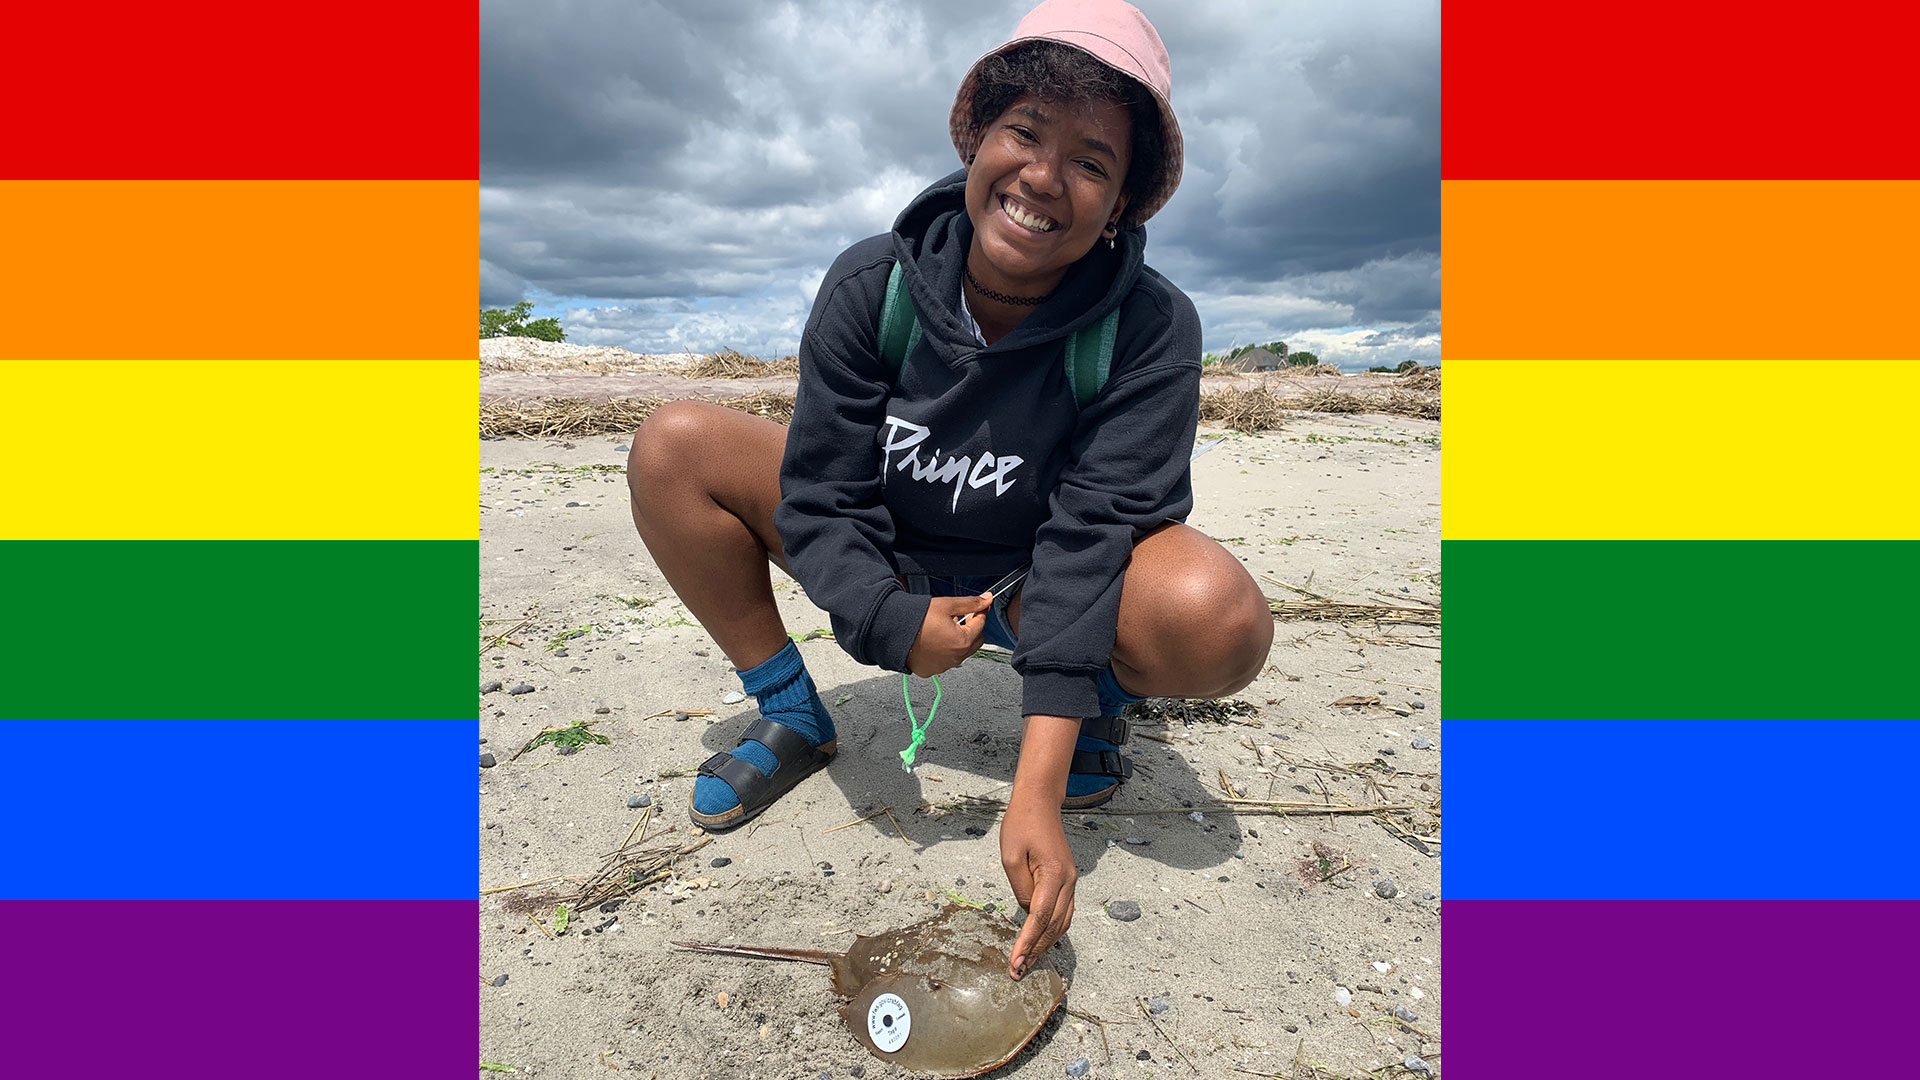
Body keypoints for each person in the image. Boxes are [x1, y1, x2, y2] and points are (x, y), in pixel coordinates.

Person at [627, 0, 1272, 979]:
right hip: (895, 551)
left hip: (1028, 578)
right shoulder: (871, 286)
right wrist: (888, 619)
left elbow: (1091, 535)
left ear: (1124, 202)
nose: (1045, 177)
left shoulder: (1148, 328)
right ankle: (792, 712)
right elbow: (824, 497)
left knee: (1215, 615)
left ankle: (1092, 700)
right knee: (674, 446)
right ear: (980, 135)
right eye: (1025, 132)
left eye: (1093, 162)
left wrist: (1035, 784)